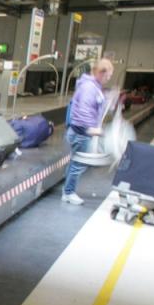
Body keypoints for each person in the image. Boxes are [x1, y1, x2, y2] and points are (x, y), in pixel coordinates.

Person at [62, 58, 114, 205]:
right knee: (78, 164)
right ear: (101, 73)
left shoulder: (93, 86)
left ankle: (67, 190)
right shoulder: (89, 88)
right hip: (81, 132)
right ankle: (68, 193)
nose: (108, 79)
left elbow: (94, 105)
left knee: (74, 163)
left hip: (81, 131)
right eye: (108, 75)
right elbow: (84, 110)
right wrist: (92, 130)